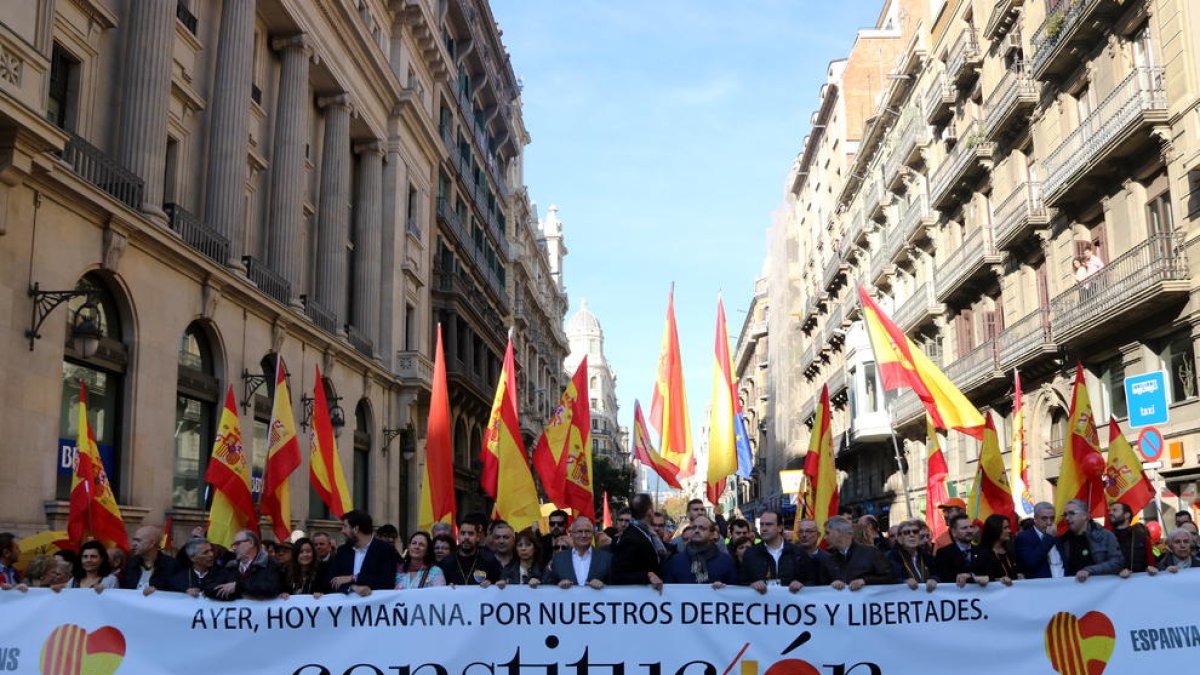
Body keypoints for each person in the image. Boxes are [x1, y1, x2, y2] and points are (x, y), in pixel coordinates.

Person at [329, 509, 399, 595]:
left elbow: (387, 582)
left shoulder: (385, 550)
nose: (342, 531)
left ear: (356, 529)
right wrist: (352, 587)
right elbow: (334, 580)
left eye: (345, 526)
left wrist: (354, 578)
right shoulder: (343, 551)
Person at [207, 529, 284, 600]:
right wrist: (240, 596)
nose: (234, 548)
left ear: (250, 542)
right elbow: (209, 588)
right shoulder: (231, 566)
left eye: (237, 544)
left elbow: (270, 588)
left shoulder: (270, 564)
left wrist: (237, 587)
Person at [1058, 499, 1122, 582]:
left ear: (1085, 516)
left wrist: (1089, 570)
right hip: (1072, 591)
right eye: (1065, 515)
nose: (1067, 518)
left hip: (1102, 589)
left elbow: (1117, 563)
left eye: (1072, 513)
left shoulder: (1105, 536)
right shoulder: (1063, 540)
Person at [822, 516, 894, 590]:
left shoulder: (870, 553)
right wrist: (832, 584)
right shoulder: (829, 560)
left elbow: (890, 577)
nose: (825, 537)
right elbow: (820, 587)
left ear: (839, 532)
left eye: (827, 533)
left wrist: (865, 581)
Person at [662, 515, 736, 587]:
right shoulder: (676, 561)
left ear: (712, 534)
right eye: (694, 528)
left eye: (702, 528)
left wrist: (724, 588)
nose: (697, 531)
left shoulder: (726, 561)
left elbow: (734, 591)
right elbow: (668, 591)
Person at [610, 494, 666, 589]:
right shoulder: (630, 538)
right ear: (649, 512)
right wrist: (648, 576)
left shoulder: (646, 533)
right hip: (639, 598)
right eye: (652, 508)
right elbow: (619, 575)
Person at [743, 510, 806, 593]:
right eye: (761, 524)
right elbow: (741, 582)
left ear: (780, 528)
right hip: (760, 604)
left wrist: (800, 584)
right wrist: (752, 585)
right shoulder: (750, 554)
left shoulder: (797, 553)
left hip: (790, 604)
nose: (764, 528)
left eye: (769, 524)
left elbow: (811, 581)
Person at [540, 516, 611, 588]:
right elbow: (548, 586)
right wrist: (559, 585)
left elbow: (616, 586)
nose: (583, 535)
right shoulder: (559, 559)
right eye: (579, 531)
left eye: (587, 531)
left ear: (593, 533)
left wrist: (604, 586)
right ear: (571, 534)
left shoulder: (606, 558)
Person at [439, 514, 500, 586]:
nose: (466, 537)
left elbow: (500, 583)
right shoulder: (446, 562)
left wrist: (491, 583)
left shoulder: (489, 560)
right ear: (458, 536)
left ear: (477, 537)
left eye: (470, 534)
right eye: (463, 533)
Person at [935, 514, 989, 587]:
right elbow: (945, 578)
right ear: (954, 532)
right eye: (964, 528)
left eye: (971, 527)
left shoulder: (983, 552)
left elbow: (989, 575)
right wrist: (972, 578)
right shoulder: (944, 553)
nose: (969, 531)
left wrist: (972, 576)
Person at [121, 525, 178, 593]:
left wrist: (158, 592)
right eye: (133, 540)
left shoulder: (171, 565)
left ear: (152, 543)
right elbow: (123, 590)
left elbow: (176, 593)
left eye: (138, 540)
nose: (133, 544)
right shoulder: (130, 563)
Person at [163, 538, 229, 597]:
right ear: (192, 558)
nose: (211, 554)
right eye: (206, 552)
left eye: (211, 550)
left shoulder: (223, 575)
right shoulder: (179, 579)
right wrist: (184, 593)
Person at [886, 520, 937, 591]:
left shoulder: (927, 556)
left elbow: (938, 573)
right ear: (900, 538)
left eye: (915, 532)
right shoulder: (891, 557)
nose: (912, 535)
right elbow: (889, 578)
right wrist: (903, 581)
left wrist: (933, 579)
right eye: (907, 533)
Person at [1015, 502, 1062, 579]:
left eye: (1052, 518)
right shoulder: (1024, 537)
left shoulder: (1057, 536)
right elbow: (1031, 562)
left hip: (1063, 584)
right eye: (1044, 518)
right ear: (1035, 519)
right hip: (1041, 587)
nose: (1049, 523)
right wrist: (1048, 538)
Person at [1108, 502, 1157, 577]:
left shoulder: (1142, 538)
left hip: (1138, 584)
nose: (1110, 513)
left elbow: (1151, 564)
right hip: (1112, 585)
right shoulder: (1106, 538)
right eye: (1110, 511)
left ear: (1127, 515)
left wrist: (1151, 569)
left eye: (1114, 510)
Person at [978, 514, 1019, 586]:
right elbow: (981, 577)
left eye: (1008, 527)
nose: (1009, 531)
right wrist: (998, 580)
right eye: (1005, 528)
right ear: (995, 529)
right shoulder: (981, 553)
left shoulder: (1010, 550)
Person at [794, 519, 833, 586]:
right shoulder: (790, 557)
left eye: (809, 531)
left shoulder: (829, 559)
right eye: (800, 531)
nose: (804, 535)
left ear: (818, 534)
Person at [489, 521, 523, 585]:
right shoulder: (485, 561)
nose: (501, 541)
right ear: (492, 540)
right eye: (497, 537)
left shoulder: (521, 561)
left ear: (514, 539)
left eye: (506, 537)